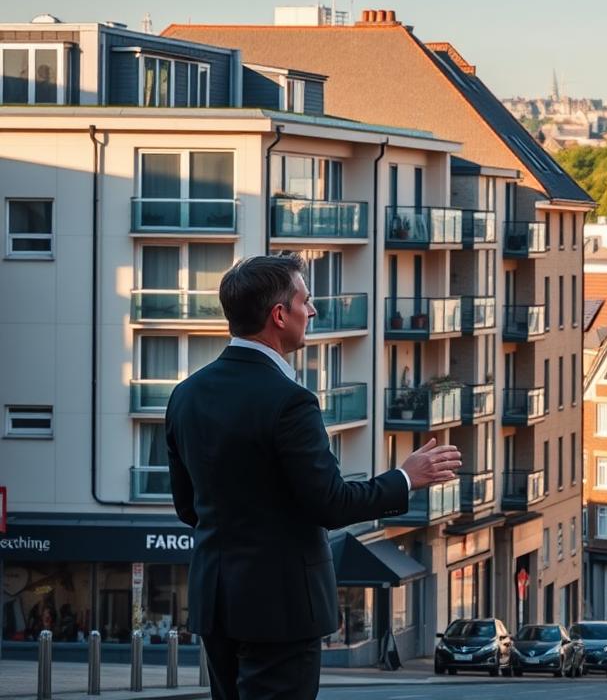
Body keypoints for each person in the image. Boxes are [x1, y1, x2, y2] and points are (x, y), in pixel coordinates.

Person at [167, 254, 461, 700]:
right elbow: (331, 503)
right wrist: (405, 478)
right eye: (306, 301)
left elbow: (188, 507)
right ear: (279, 315)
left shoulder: (185, 396)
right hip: (282, 609)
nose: (314, 311)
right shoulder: (291, 401)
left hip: (216, 603)